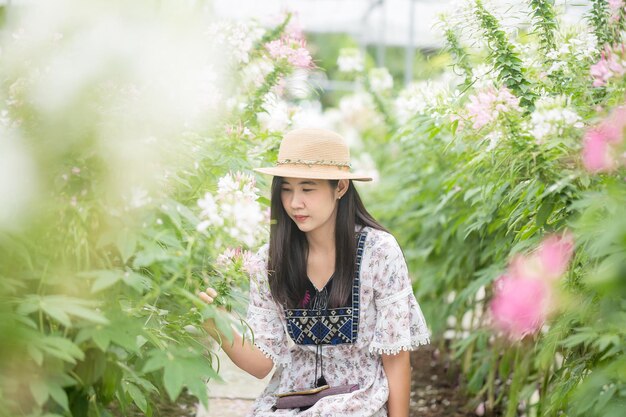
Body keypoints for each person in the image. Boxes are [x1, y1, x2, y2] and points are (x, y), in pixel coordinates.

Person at [199, 128, 430, 416]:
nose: (295, 202)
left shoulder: (379, 253)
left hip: (359, 402)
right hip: (289, 402)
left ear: (341, 187)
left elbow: (395, 358)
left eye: (307, 189)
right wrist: (217, 324)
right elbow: (261, 364)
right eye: (286, 189)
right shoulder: (270, 259)